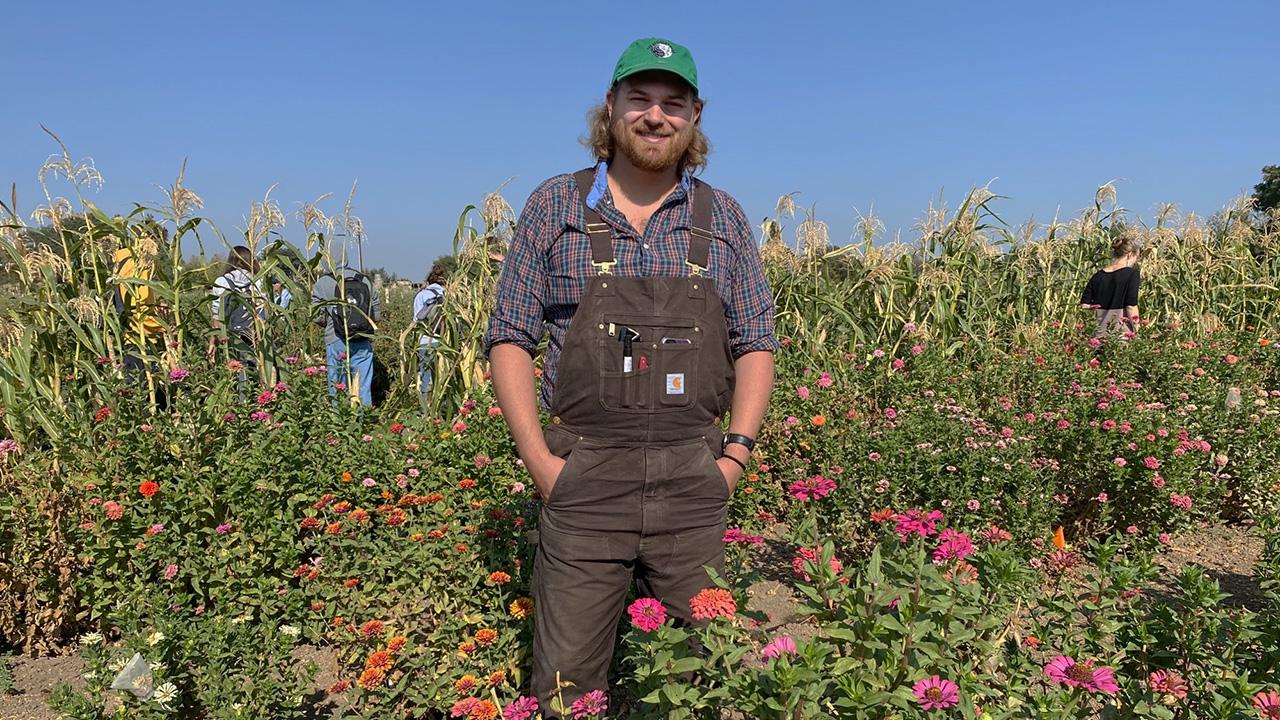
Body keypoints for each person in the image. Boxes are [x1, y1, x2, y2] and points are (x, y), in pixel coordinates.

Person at [483, 38, 776, 715]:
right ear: (610, 108)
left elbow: (756, 341)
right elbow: (510, 336)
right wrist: (540, 462)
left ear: (695, 116)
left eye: (673, 103)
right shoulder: (555, 207)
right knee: (566, 686)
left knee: (702, 676)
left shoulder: (722, 218)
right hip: (584, 483)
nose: (655, 116)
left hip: (691, 483)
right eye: (639, 99)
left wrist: (735, 457)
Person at [312, 262, 380, 406]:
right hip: (362, 338)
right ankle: (362, 421)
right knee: (362, 385)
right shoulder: (364, 280)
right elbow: (377, 315)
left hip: (335, 339)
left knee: (337, 385)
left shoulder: (324, 282)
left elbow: (317, 316)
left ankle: (339, 421)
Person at [208, 246, 262, 387]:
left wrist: (212, 341)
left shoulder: (222, 282)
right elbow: (263, 311)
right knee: (252, 373)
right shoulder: (258, 280)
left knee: (233, 373)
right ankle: (254, 404)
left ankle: (237, 404)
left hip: (229, 336)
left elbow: (216, 313)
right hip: (252, 335)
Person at [1081, 231, 1141, 337]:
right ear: (1130, 255)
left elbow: (1084, 305)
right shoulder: (1131, 274)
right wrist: (1138, 331)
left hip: (1097, 335)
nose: (1135, 261)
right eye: (1136, 257)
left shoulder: (1097, 276)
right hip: (1121, 335)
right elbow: (1131, 306)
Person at [413, 262, 447, 404]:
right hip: (445, 343)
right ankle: (444, 409)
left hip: (425, 341)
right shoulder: (448, 294)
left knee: (427, 377)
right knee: (445, 378)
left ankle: (426, 412)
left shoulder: (422, 295)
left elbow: (416, 320)